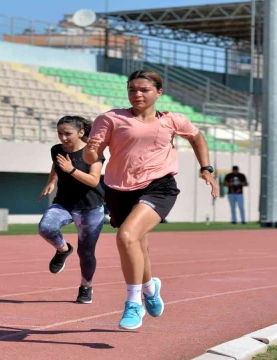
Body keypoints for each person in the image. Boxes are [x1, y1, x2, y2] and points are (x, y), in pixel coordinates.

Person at [84, 69, 219, 330]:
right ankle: (150, 287)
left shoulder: (172, 120)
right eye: (132, 89)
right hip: (118, 188)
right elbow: (93, 159)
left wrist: (206, 168)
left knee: (126, 236)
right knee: (138, 245)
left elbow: (196, 137)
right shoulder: (110, 118)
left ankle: (134, 303)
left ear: (158, 92)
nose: (137, 94)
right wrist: (91, 150)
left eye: (144, 89)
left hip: (159, 185)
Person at [37, 115, 106, 304]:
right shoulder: (57, 150)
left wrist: (71, 170)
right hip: (64, 203)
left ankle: (86, 287)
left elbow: (93, 180)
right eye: (59, 133)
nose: (63, 138)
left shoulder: (93, 152)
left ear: (81, 133)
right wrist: (52, 181)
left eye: (67, 133)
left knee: (86, 253)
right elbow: (56, 163)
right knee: (46, 228)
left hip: (90, 207)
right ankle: (63, 250)